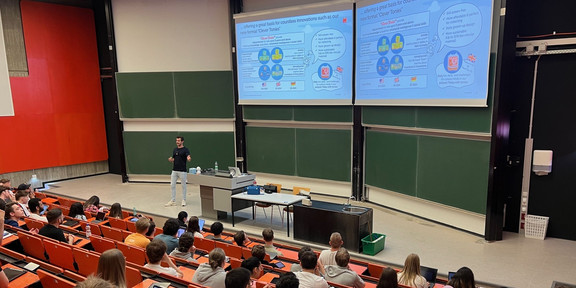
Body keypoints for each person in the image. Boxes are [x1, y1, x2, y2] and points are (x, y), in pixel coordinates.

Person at [165, 136, 191, 207]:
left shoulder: (185, 150)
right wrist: (171, 160)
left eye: (179, 141)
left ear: (182, 141)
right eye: (176, 140)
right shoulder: (175, 150)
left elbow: (188, 156)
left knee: (183, 186)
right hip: (174, 170)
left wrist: (188, 158)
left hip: (182, 171)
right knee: (172, 185)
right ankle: (173, 200)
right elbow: (174, 159)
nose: (177, 142)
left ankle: (184, 200)